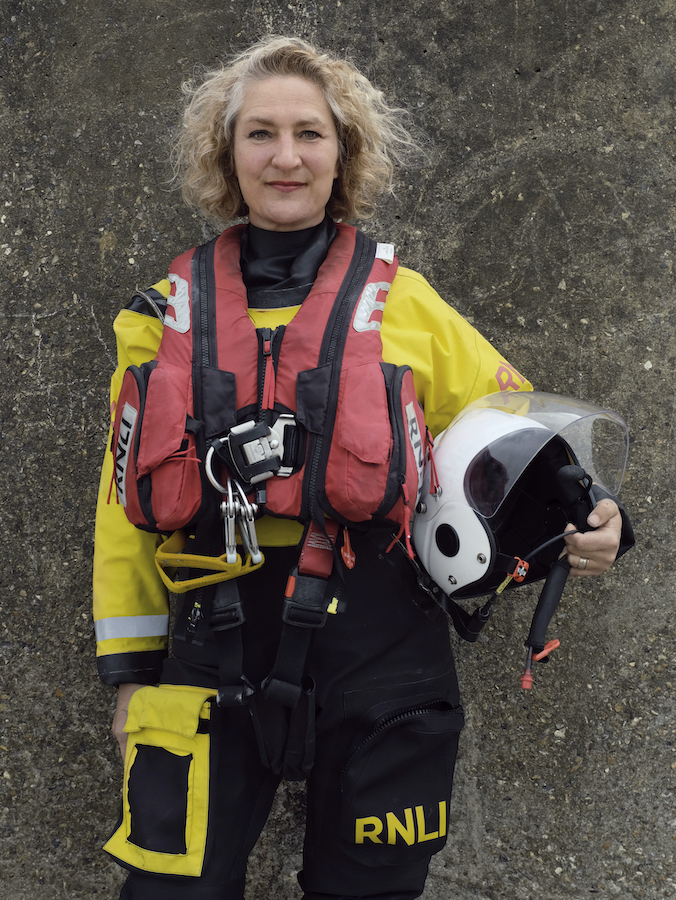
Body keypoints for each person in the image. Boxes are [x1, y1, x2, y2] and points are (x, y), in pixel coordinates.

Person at [93, 36, 630, 900]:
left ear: (342, 151)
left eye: (309, 132)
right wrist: (128, 675)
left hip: (381, 642)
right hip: (206, 643)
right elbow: (120, 508)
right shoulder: (160, 317)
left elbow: (516, 438)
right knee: (170, 889)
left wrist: (597, 515)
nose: (286, 155)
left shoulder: (407, 304)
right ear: (226, 155)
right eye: (260, 134)